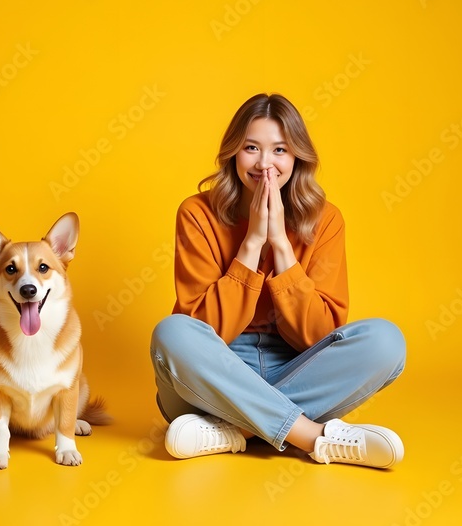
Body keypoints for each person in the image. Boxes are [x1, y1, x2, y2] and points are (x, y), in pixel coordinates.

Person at [150, 93, 406, 468]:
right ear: (233, 153)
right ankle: (313, 437)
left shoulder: (327, 219)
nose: (265, 164)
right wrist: (252, 243)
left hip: (298, 366)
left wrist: (282, 246)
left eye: (280, 150)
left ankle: (235, 428)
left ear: (297, 156)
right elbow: (203, 329)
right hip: (216, 371)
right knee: (171, 333)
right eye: (252, 147)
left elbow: (318, 335)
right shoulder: (197, 213)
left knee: (386, 341)